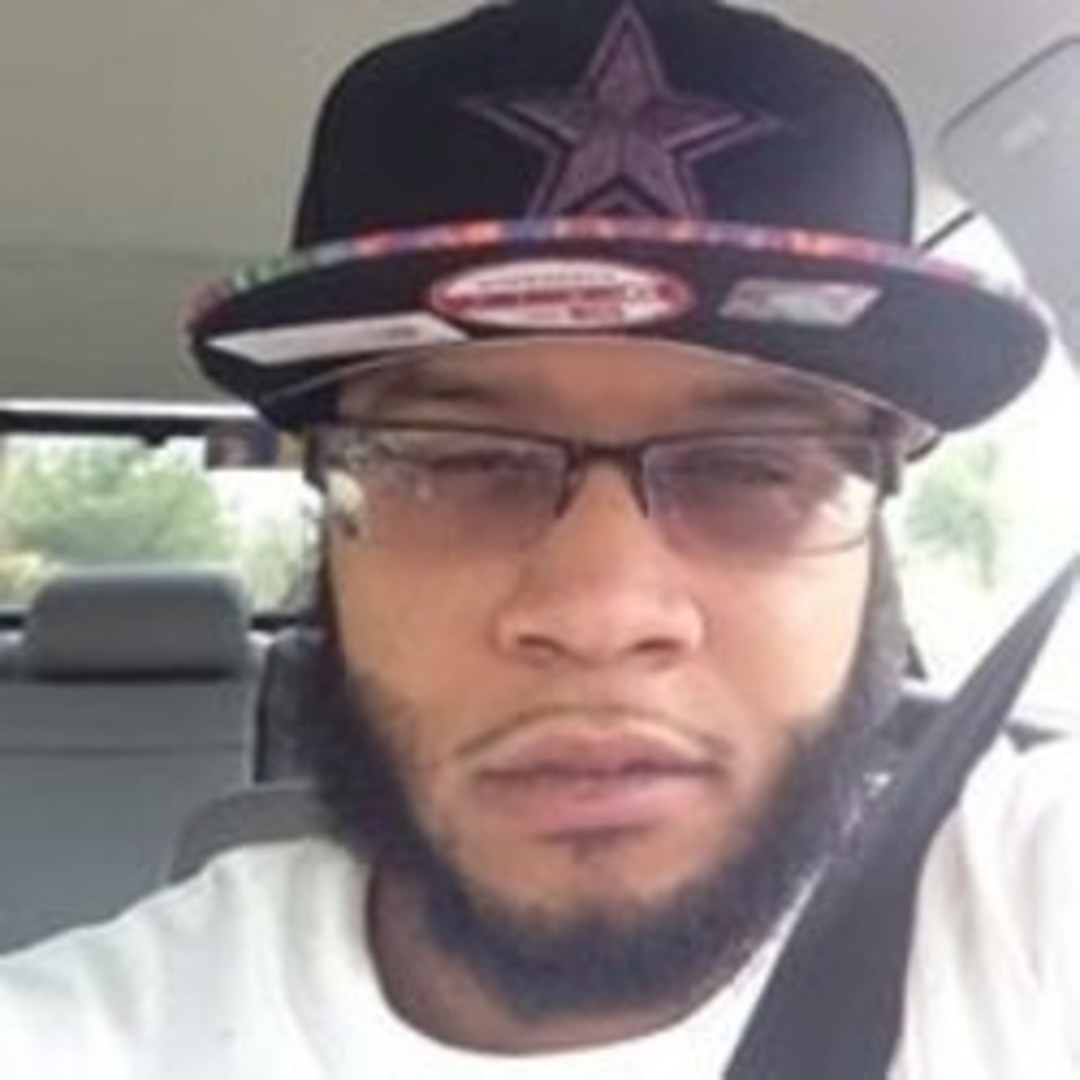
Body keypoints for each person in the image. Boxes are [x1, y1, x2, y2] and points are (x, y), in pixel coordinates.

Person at [1, 0, 1077, 1075]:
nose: (600, 614)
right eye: (457, 462)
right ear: (326, 519)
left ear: (881, 515)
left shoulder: (1023, 915)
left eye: (752, 466)